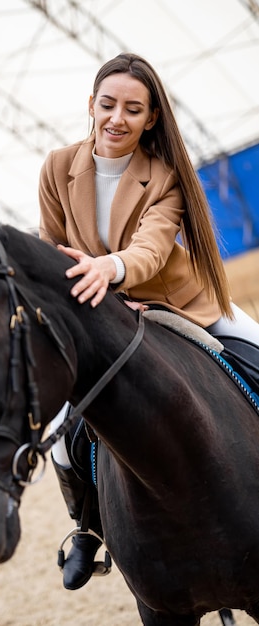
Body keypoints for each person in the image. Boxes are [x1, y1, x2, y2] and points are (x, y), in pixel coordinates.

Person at [38, 52, 259, 591]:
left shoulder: (164, 178)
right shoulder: (57, 167)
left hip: (182, 304)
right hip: (100, 319)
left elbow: (151, 251)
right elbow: (51, 248)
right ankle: (87, 530)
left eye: (133, 109)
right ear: (91, 106)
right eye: (108, 105)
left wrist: (110, 270)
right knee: (61, 435)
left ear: (151, 118)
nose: (118, 118)